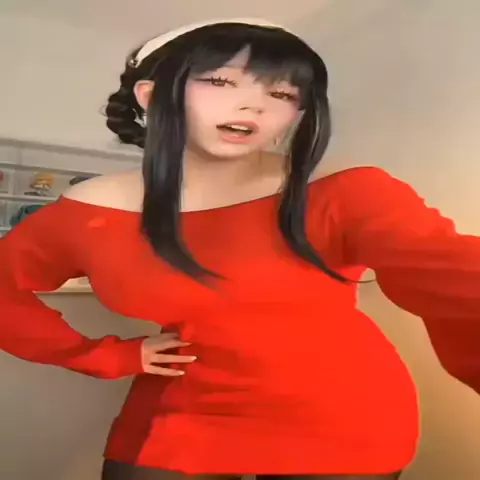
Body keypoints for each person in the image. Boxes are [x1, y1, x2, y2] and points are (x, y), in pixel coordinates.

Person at [0, 17, 479, 480]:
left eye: (282, 94)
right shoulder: (92, 209)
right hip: (180, 407)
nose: (254, 106)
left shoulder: (344, 191)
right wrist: (102, 356)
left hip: (342, 410)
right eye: (220, 81)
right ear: (152, 95)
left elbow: (448, 271)